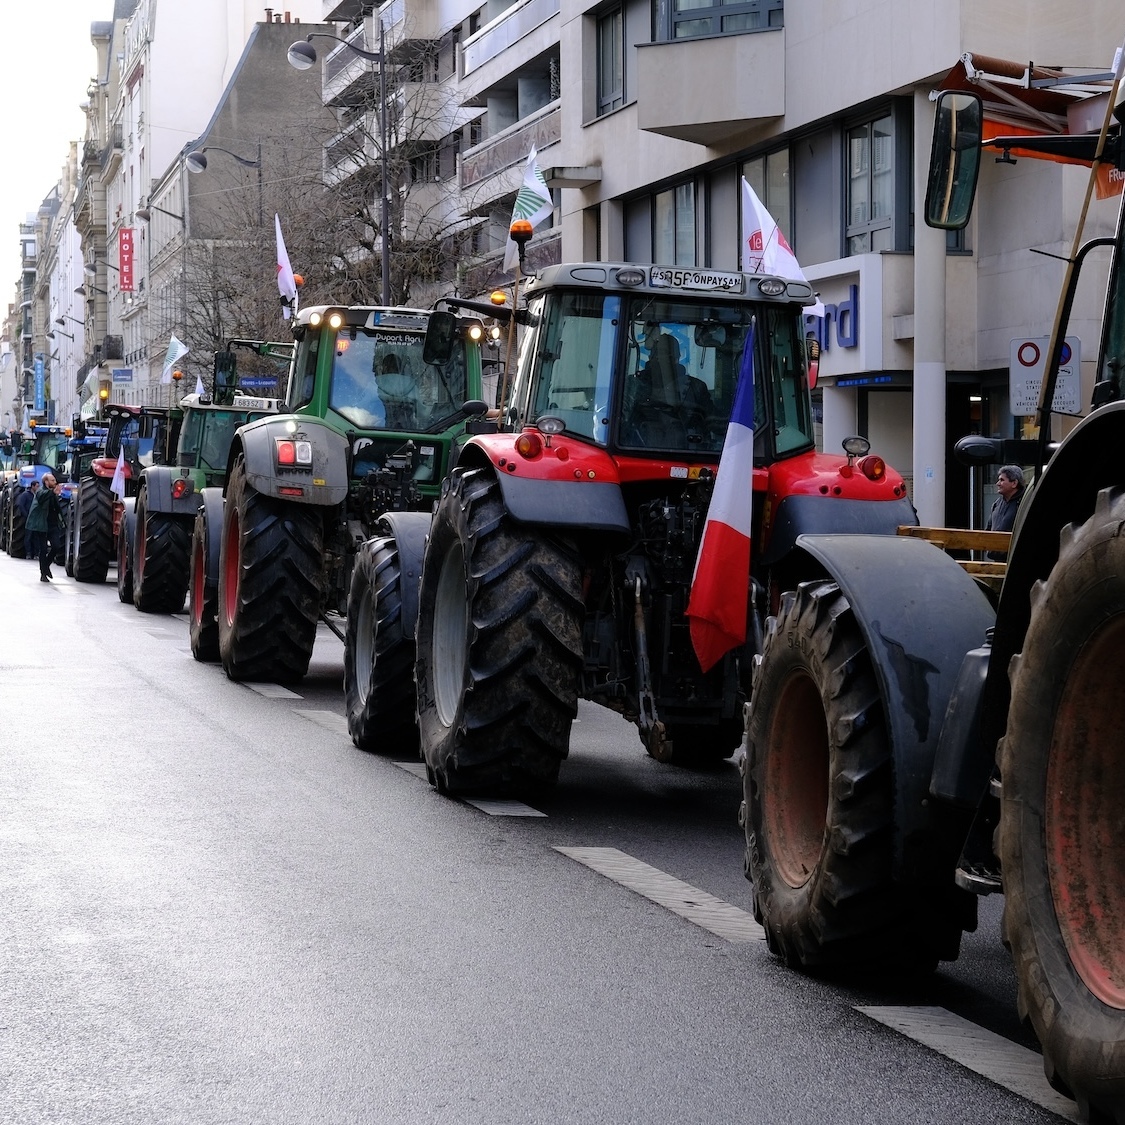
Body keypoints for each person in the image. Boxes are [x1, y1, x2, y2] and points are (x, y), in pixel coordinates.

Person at [26, 473, 64, 582]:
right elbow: (42, 497)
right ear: (46, 482)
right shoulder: (40, 491)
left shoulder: (52, 493)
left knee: (56, 546)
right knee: (43, 550)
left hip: (52, 525)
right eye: (52, 480)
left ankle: (46, 565)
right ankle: (43, 574)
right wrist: (52, 492)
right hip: (41, 524)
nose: (55, 482)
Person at [985, 464, 1025, 561]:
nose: (998, 483)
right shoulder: (997, 504)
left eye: (1002, 480)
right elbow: (988, 529)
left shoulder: (1024, 503)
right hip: (996, 560)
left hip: (1015, 561)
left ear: (1014, 483)